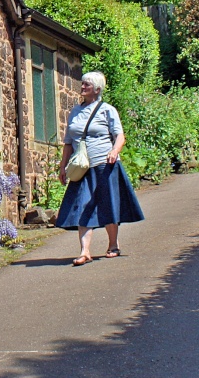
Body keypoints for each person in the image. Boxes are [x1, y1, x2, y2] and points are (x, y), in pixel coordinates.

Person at [55, 71, 144, 266]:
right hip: (82, 168)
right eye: (83, 83)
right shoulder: (75, 111)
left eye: (87, 84)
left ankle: (113, 244)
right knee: (81, 206)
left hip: (105, 165)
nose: (83, 86)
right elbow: (69, 143)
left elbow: (119, 136)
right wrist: (63, 167)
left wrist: (114, 151)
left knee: (108, 204)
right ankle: (84, 251)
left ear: (97, 89)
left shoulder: (107, 110)